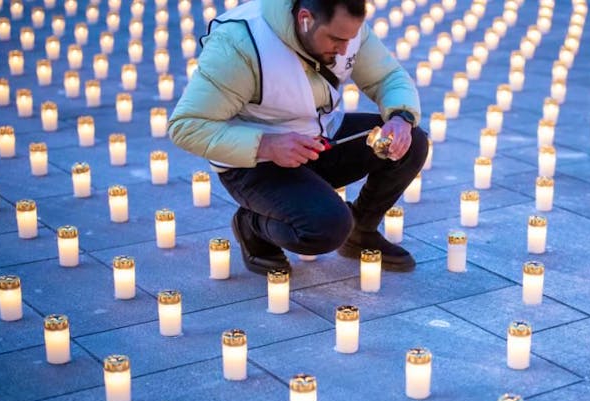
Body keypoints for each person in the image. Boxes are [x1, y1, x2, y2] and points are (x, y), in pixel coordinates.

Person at [168, 0, 427, 274]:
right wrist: (266, 145)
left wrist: (401, 118)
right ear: (305, 19)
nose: (344, 49)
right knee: (327, 226)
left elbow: (387, 76)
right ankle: (252, 226)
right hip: (255, 163)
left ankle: (361, 231)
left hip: (319, 139)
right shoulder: (240, 43)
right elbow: (186, 126)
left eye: (349, 39)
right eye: (336, 39)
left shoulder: (345, 25)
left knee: (412, 143)